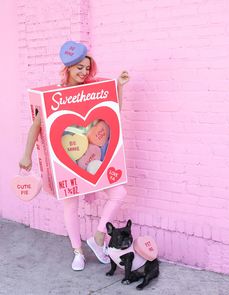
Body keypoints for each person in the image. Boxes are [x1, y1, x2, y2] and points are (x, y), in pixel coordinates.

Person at [19, 41, 130, 271]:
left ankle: (98, 237)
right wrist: (27, 155)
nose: (84, 72)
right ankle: (77, 252)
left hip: (95, 159)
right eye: (79, 67)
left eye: (87, 68)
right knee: (71, 204)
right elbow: (35, 127)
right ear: (67, 68)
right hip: (67, 162)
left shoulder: (94, 90)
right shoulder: (52, 96)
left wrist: (119, 86)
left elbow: (112, 112)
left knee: (119, 192)